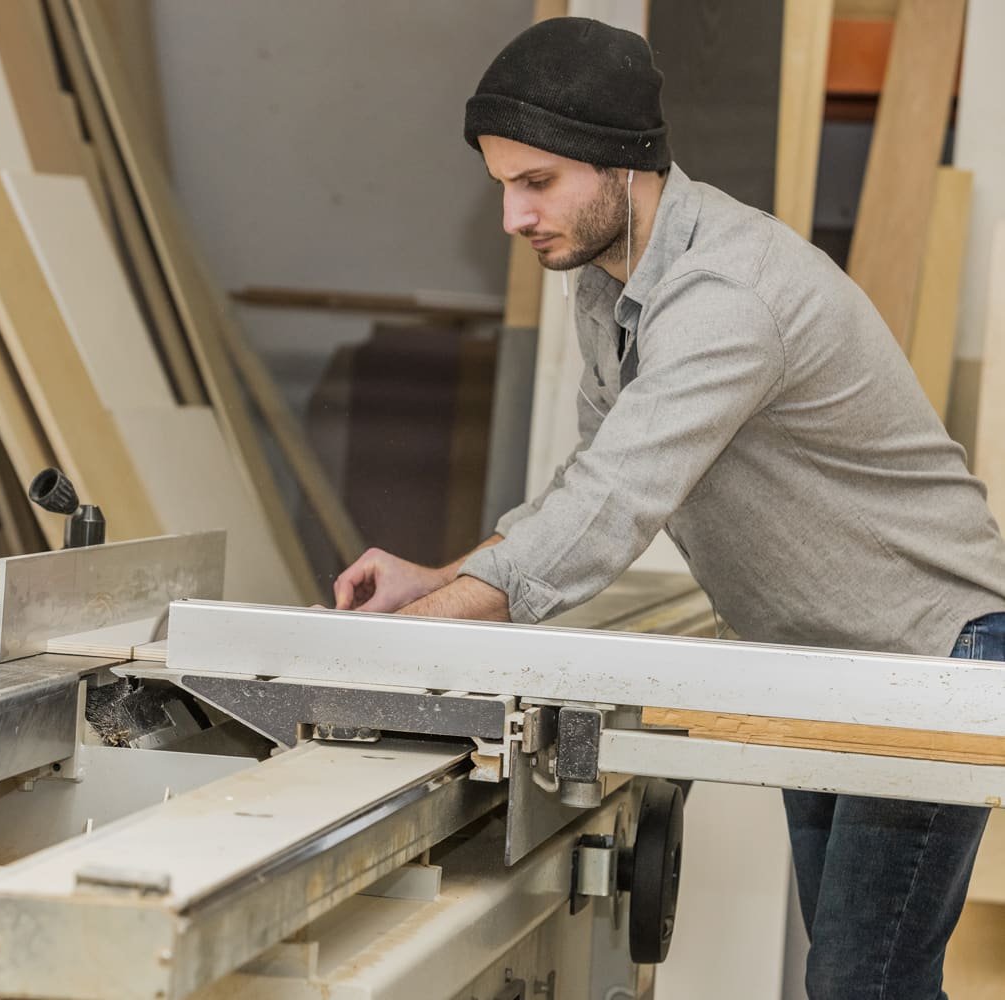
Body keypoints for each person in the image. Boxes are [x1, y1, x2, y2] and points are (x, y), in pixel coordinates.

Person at [331, 17, 1005, 999]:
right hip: (827, 659)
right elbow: (590, 474)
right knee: (862, 980)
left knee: (863, 983)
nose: (513, 216)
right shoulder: (609, 282)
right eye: (503, 186)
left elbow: (615, 505)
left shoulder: (726, 295)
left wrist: (397, 646)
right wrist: (443, 579)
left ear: (622, 163)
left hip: (930, 652)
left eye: (536, 182)